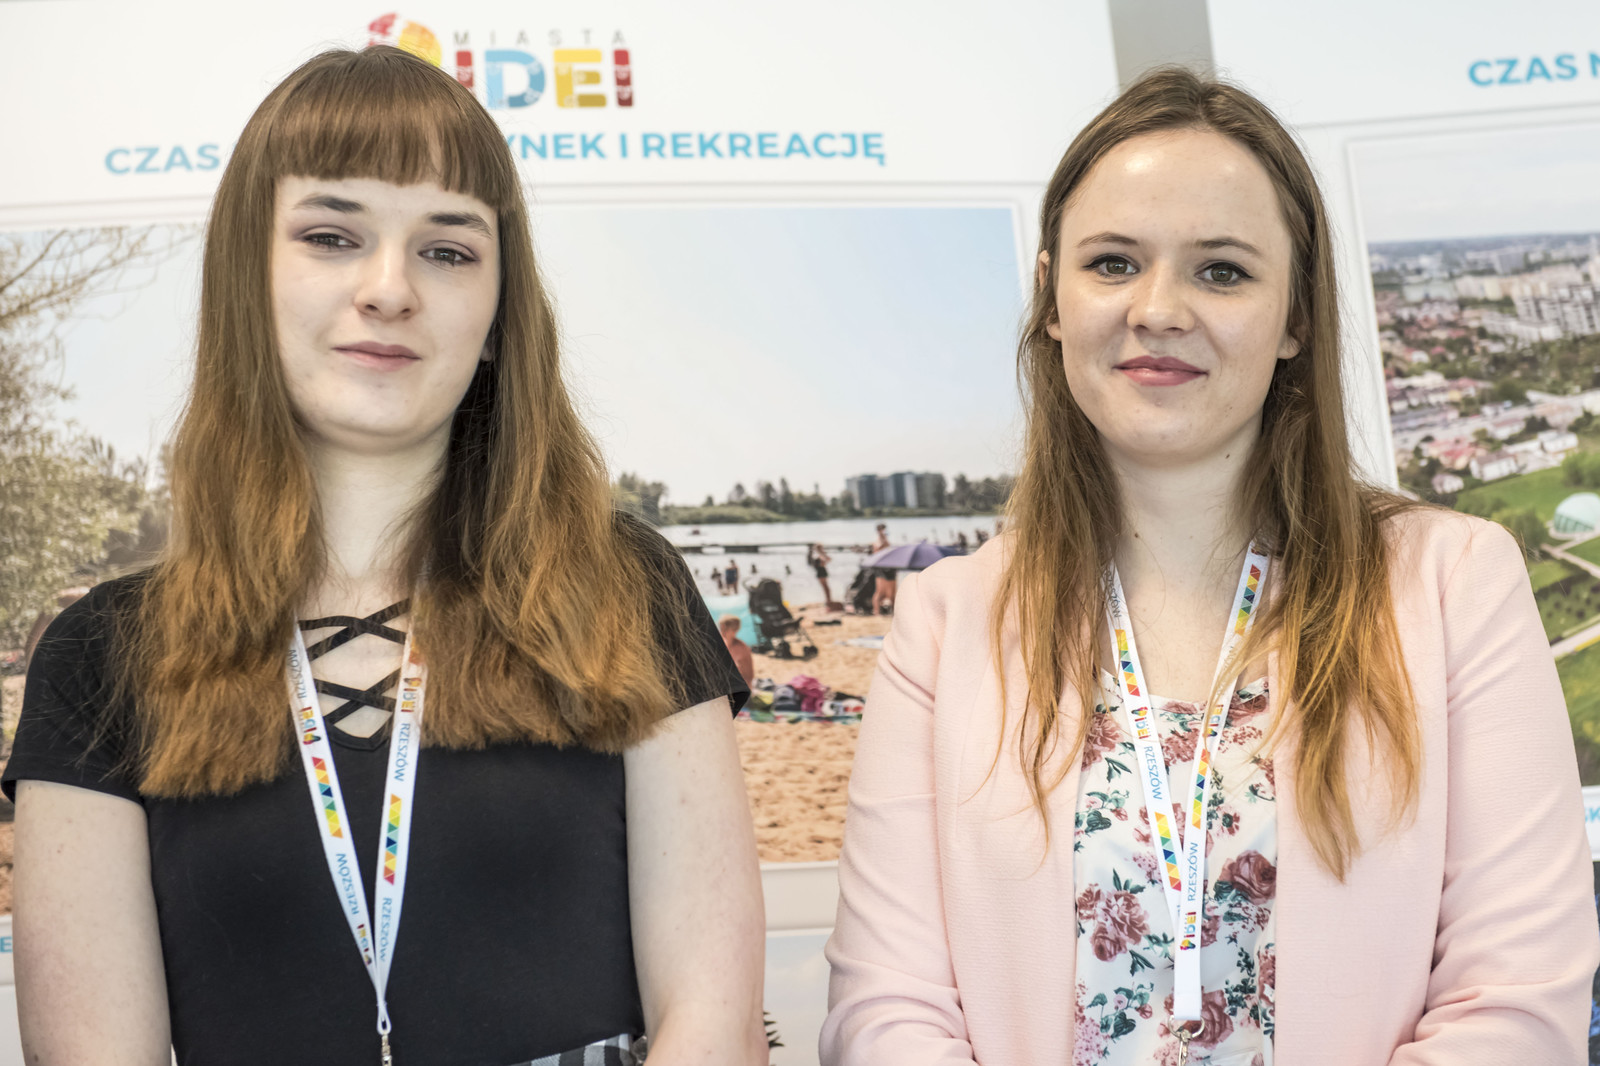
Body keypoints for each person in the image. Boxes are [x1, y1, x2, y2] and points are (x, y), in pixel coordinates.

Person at [822, 68, 1597, 1066]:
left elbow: (1516, 1004)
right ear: (1052, 297)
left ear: (1295, 317)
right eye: (1112, 263)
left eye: (1221, 272)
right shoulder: (947, 621)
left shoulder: (1455, 585)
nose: (1157, 309)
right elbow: (884, 1013)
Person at [9, 47, 765, 1066]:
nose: (389, 288)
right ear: (245, 280)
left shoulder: (624, 584)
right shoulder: (99, 655)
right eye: (331, 236)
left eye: (448, 250)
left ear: (496, 317)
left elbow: (715, 1025)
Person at [719, 615, 756, 686]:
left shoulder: (740, 648)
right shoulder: (722, 642)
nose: (722, 631)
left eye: (725, 629)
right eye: (721, 628)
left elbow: (749, 676)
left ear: (734, 630)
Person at [869, 524, 896, 615]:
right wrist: (883, 539)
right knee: (880, 591)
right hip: (880, 568)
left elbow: (888, 549)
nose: (884, 532)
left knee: (892, 591)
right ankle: (876, 611)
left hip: (888, 567)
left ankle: (893, 610)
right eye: (882, 530)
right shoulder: (877, 541)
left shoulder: (885, 540)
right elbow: (877, 550)